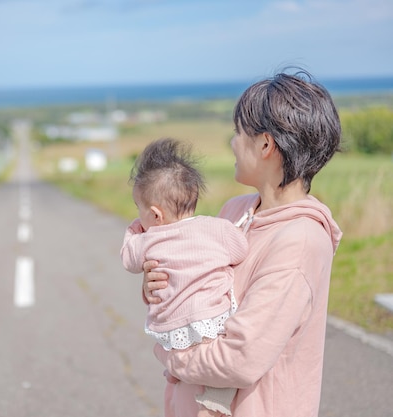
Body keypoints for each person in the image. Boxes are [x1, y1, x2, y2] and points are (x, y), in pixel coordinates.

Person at [142, 69, 343, 417]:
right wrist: (158, 284)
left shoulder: (301, 242)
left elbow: (240, 358)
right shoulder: (235, 210)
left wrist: (171, 352)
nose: (233, 142)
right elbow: (197, 288)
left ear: (265, 145)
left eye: (239, 133)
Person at [121, 138, 249, 417]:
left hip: (173, 325)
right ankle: (216, 401)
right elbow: (241, 250)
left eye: (138, 210)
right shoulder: (217, 228)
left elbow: (129, 260)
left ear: (155, 214)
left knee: (183, 353)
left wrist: (134, 230)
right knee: (215, 365)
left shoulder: (149, 238)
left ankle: (181, 375)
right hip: (213, 317)